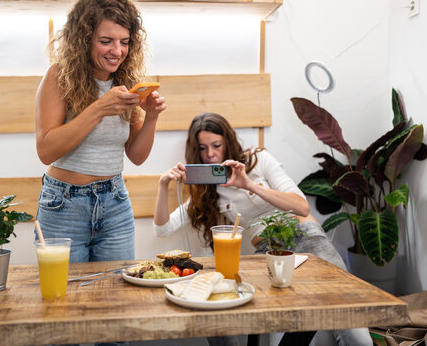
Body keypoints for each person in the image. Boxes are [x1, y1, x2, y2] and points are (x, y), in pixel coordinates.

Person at [153, 113, 373, 346]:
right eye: (203, 148)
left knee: (358, 335)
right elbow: (163, 228)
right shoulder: (208, 191)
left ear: (227, 141)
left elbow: (300, 205)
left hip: (307, 238)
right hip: (268, 252)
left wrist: (248, 184)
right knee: (240, 307)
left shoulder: (259, 160)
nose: (210, 155)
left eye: (216, 145)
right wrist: (163, 184)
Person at [35, 0, 166, 265]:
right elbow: (46, 150)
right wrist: (99, 108)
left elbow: (137, 156)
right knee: (66, 300)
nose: (117, 51)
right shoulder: (59, 76)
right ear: (84, 40)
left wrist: (151, 117)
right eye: (106, 41)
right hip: (64, 205)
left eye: (125, 42)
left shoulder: (127, 80)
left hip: (115, 201)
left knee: (117, 297)